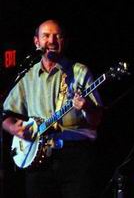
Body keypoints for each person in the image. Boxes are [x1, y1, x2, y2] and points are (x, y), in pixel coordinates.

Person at [2, 19, 103, 198]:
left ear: (65, 41)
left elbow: (96, 120)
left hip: (74, 158)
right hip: (37, 160)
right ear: (37, 42)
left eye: (58, 36)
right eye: (46, 36)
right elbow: (5, 115)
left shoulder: (79, 72)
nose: (52, 40)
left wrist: (86, 106)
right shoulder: (27, 75)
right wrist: (14, 129)